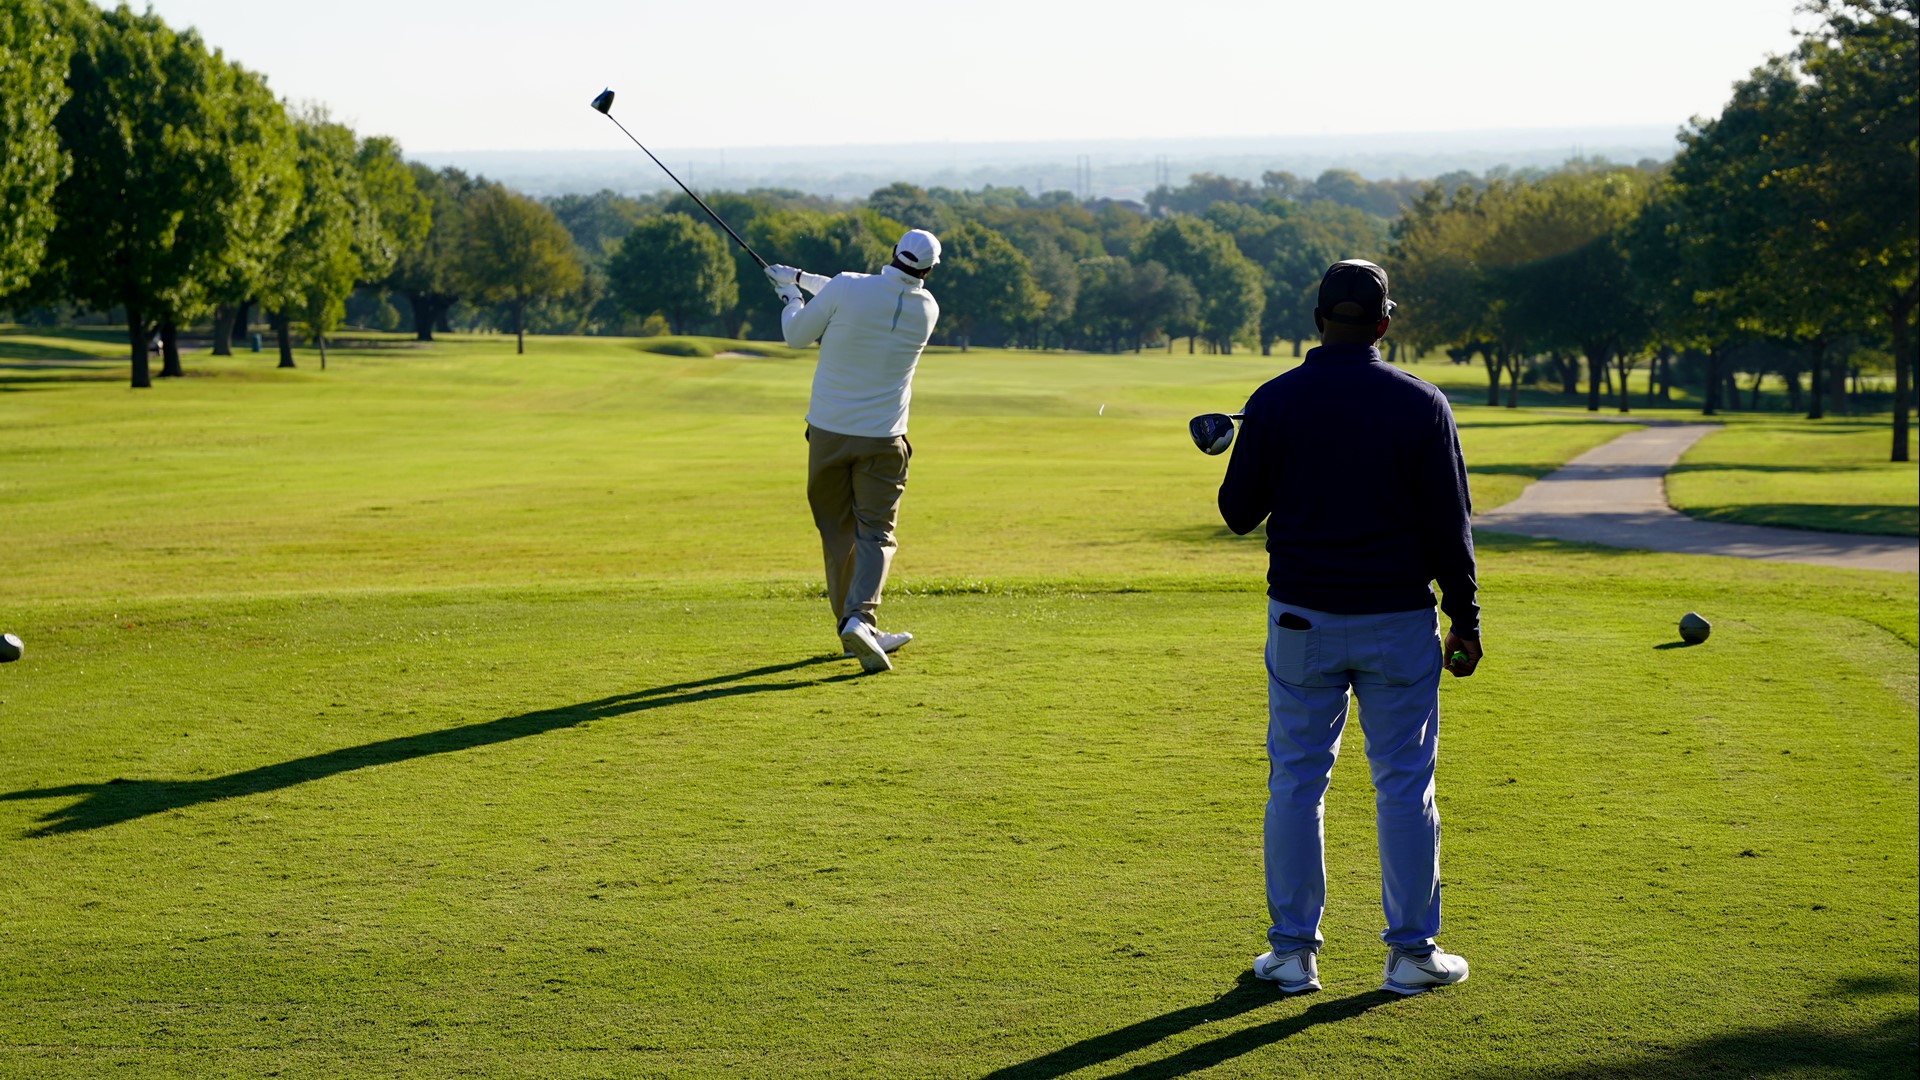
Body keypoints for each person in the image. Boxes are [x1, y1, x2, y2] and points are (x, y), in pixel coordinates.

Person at [1216, 259, 1482, 996]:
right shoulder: (1420, 402)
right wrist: (1465, 619)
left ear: (1317, 320)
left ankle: (1293, 955)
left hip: (1302, 620)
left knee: (1296, 784)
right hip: (1398, 620)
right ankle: (1411, 956)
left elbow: (1238, 513)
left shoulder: (1274, 400)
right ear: (1383, 324)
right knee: (1404, 787)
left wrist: (1257, 440)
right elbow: (1448, 526)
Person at [766, 229, 942, 674]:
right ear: (928, 270)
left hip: (826, 434)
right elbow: (866, 293)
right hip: (884, 440)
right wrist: (803, 276)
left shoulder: (847, 286)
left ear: (892, 253)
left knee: (837, 534)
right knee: (875, 534)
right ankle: (860, 620)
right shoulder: (927, 308)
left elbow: (798, 334)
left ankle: (854, 625)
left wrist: (791, 295)